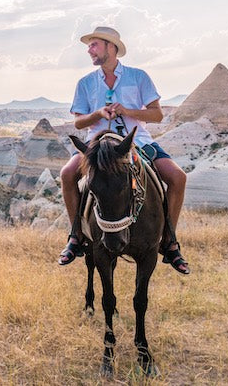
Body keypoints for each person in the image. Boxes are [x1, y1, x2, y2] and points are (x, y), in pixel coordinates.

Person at [57, 26, 189, 275]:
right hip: (98, 145)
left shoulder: (138, 77)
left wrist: (128, 111)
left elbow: (157, 114)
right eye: (90, 46)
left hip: (137, 142)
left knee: (177, 177)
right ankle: (75, 236)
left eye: (94, 45)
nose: (89, 50)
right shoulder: (85, 83)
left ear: (111, 47)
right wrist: (97, 113)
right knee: (67, 174)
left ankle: (169, 240)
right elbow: (78, 122)